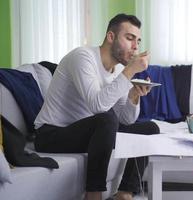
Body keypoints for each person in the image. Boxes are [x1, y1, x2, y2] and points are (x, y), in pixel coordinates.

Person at [34, 13, 159, 200]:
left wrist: (133, 95)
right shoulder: (82, 57)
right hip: (51, 134)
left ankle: (125, 192)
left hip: (89, 133)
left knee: (149, 128)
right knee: (107, 119)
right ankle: (93, 194)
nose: (135, 47)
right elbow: (98, 105)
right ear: (111, 37)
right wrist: (130, 71)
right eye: (129, 38)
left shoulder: (118, 70)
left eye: (138, 41)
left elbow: (126, 119)